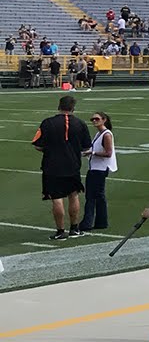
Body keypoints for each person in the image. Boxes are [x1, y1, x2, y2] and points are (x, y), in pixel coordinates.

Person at [34, 93, 91, 239]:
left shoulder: (47, 122)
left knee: (57, 198)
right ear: (73, 108)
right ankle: (75, 228)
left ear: (59, 106)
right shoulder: (80, 124)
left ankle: (60, 231)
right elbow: (86, 148)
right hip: (73, 165)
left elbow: (38, 145)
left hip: (52, 165)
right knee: (73, 195)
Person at [82, 110, 116, 231]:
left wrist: (93, 152)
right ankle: (101, 222)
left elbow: (108, 153)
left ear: (104, 120)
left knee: (91, 196)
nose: (94, 121)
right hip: (96, 168)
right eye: (93, 119)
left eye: (97, 119)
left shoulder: (106, 134)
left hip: (99, 169)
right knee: (98, 196)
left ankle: (87, 223)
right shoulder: (100, 134)